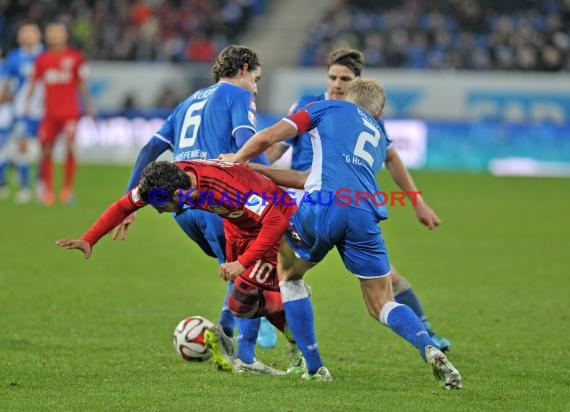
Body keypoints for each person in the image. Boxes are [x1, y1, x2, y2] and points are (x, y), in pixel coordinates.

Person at [220, 79, 462, 389]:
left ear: (346, 98)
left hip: (324, 205)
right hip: (365, 212)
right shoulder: (376, 135)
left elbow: (267, 137)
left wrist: (238, 160)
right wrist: (262, 172)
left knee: (289, 276)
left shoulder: (327, 107)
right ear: (380, 111)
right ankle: (427, 346)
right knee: (381, 302)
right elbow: (309, 178)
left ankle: (315, 366)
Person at [266, 48, 451, 351]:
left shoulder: (366, 116)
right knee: (270, 258)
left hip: (344, 201)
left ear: (357, 81)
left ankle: (425, 331)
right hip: (304, 196)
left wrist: (417, 200)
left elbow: (391, 158)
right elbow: (278, 146)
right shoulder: (309, 104)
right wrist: (258, 169)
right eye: (333, 77)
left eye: (345, 79)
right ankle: (267, 326)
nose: (337, 84)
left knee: (387, 275)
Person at [109, 45, 278, 369]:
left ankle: (226, 337)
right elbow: (250, 142)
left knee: (239, 268)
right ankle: (245, 353)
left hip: (183, 212)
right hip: (217, 200)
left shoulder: (187, 102)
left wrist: (130, 202)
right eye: (256, 79)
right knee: (253, 267)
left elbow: (150, 148)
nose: (255, 87)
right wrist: (276, 185)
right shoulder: (238, 95)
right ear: (244, 68)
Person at [55, 159, 303, 376]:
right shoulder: (164, 182)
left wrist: (242, 262)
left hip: (276, 219)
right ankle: (286, 321)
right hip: (239, 225)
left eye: (160, 206)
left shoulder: (222, 188)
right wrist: (90, 239)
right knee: (244, 299)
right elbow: (123, 206)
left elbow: (276, 220)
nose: (160, 212)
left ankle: (303, 352)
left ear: (177, 194)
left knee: (246, 294)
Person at [26, 22, 95, 205]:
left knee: (70, 147)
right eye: (51, 33)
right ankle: (47, 190)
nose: (55, 36)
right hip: (49, 113)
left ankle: (67, 190)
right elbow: (34, 83)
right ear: (47, 36)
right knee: (45, 150)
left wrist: (89, 105)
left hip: (69, 112)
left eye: (58, 33)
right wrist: (27, 103)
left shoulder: (75, 57)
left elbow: (81, 83)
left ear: (65, 35)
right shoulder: (42, 59)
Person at [0, 22, 43, 203]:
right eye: (23, 33)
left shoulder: (46, 56)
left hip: (44, 110)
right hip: (22, 110)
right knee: (22, 147)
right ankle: (25, 186)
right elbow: (5, 82)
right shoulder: (14, 57)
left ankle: (41, 184)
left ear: (38, 35)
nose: (26, 36)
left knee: (42, 150)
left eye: (30, 33)